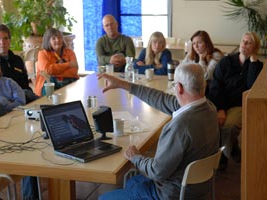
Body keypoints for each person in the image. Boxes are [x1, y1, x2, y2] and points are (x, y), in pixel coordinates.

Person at [97, 63, 220, 200]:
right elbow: (162, 99)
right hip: (198, 187)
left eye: (174, 85)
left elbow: (157, 171)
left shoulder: (181, 126)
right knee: (132, 182)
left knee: (104, 198)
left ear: (179, 88)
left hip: (171, 193)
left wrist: (135, 157)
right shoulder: (209, 108)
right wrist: (122, 84)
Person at [207, 32, 263, 168]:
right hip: (219, 102)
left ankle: (225, 155)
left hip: (239, 105)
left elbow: (251, 87)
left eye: (249, 42)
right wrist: (220, 109)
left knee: (229, 127)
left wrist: (253, 63)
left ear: (255, 48)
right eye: (243, 41)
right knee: (208, 123)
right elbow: (216, 85)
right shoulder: (227, 61)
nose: (244, 44)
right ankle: (232, 150)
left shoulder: (257, 65)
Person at [0, 24, 39, 103]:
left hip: (24, 98)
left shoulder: (17, 60)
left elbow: (25, 84)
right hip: (6, 103)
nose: (2, 42)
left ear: (10, 40)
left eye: (5, 38)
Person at [35, 28, 79, 96]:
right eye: (54, 38)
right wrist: (68, 65)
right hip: (47, 83)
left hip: (68, 81)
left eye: (60, 38)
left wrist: (52, 74)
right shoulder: (42, 54)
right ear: (48, 41)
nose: (57, 40)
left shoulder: (70, 52)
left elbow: (74, 71)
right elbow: (47, 69)